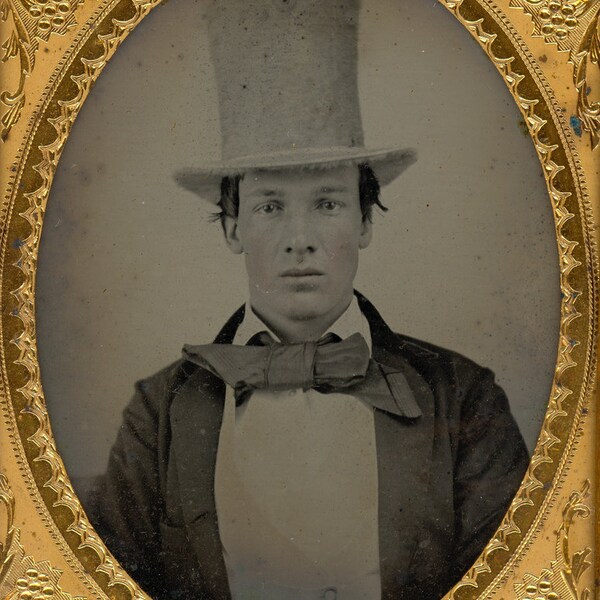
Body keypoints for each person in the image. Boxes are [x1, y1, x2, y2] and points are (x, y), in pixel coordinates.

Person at [87, 2, 530, 599]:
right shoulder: (160, 413)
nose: (301, 239)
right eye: (270, 206)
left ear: (366, 221)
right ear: (232, 229)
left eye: (327, 203)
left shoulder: (464, 398)